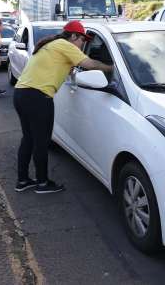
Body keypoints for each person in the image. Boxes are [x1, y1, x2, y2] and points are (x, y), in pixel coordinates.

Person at [13, 20, 112, 194]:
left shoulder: (51, 45)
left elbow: (61, 68)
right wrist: (111, 68)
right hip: (38, 97)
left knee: (28, 139)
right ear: (73, 36)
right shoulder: (64, 45)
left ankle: (22, 180)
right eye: (82, 40)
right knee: (41, 142)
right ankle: (43, 183)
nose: (83, 44)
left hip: (21, 94)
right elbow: (90, 64)